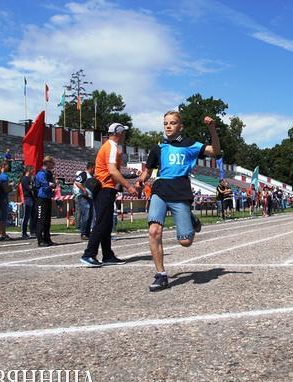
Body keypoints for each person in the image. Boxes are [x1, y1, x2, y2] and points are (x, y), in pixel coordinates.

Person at [135, 112, 220, 291]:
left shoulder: (190, 145)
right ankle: (161, 275)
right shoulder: (158, 147)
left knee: (185, 242)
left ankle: (191, 219)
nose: (168, 126)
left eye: (172, 123)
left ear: (180, 126)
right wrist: (140, 180)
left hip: (180, 191)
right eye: (165, 123)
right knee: (154, 231)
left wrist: (212, 129)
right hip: (160, 190)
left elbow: (215, 152)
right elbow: (148, 171)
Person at [80, 123, 136, 267]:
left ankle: (107, 255)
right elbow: (112, 170)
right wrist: (128, 186)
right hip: (105, 188)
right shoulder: (112, 147)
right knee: (102, 222)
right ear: (119, 133)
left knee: (106, 223)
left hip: (105, 188)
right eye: (124, 132)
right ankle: (89, 254)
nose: (125, 135)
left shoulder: (108, 146)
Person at [34, 156, 57, 247]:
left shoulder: (49, 173)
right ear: (47, 163)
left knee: (47, 220)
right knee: (41, 219)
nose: (53, 165)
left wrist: (53, 184)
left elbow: (53, 184)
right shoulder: (41, 173)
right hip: (41, 198)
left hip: (48, 197)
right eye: (52, 163)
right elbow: (45, 184)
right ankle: (40, 240)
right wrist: (51, 184)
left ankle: (47, 238)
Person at [74, 162, 95, 240]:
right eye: (95, 168)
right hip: (83, 197)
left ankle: (87, 233)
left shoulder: (91, 176)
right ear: (92, 168)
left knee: (90, 216)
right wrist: (84, 190)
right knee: (86, 215)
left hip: (90, 197)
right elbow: (77, 182)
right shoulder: (84, 174)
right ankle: (83, 233)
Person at [0, 161, 13, 240]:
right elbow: (6, 189)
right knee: (3, 217)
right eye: (7, 165)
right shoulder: (4, 176)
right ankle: (2, 234)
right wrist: (11, 186)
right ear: (3, 166)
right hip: (3, 198)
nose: (8, 167)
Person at [20, 165, 37, 239]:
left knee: (33, 216)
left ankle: (32, 231)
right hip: (27, 198)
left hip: (32, 198)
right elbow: (29, 188)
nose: (33, 172)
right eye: (32, 170)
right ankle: (24, 233)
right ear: (29, 170)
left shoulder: (31, 179)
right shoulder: (24, 179)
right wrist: (33, 188)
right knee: (26, 216)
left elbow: (33, 188)